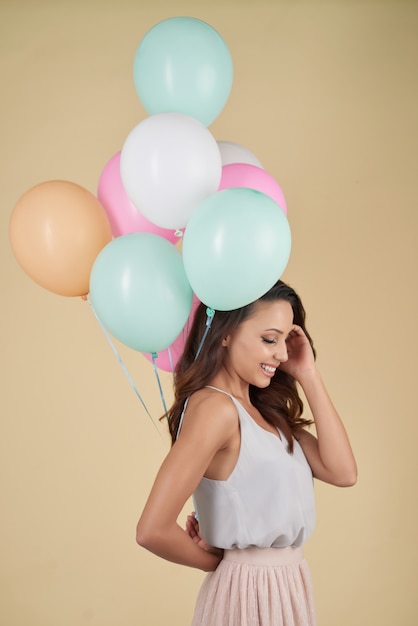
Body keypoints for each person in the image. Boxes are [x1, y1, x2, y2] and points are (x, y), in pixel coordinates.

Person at [136, 279, 357, 625]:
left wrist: (308, 373)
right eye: (270, 339)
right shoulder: (215, 409)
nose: (282, 354)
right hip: (246, 595)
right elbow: (152, 529)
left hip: (290, 587)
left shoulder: (266, 411)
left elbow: (344, 473)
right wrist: (220, 564)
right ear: (225, 333)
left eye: (286, 340)